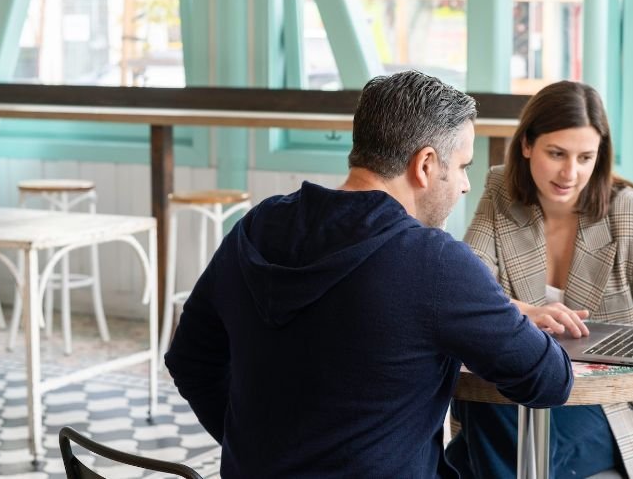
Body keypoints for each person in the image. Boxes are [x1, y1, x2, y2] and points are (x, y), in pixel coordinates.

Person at [164, 70, 574, 478]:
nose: (466, 185)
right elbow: (550, 380)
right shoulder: (434, 262)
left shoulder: (257, 226)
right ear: (426, 165)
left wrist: (254, 454)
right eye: (463, 165)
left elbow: (189, 360)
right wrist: (506, 315)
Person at [446, 81, 633, 478]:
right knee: (490, 412)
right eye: (556, 154)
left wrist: (611, 358)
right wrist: (525, 312)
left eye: (586, 157)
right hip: (522, 387)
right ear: (527, 144)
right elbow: (464, 293)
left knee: (471, 447)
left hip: (611, 406)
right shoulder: (500, 190)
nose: (571, 172)